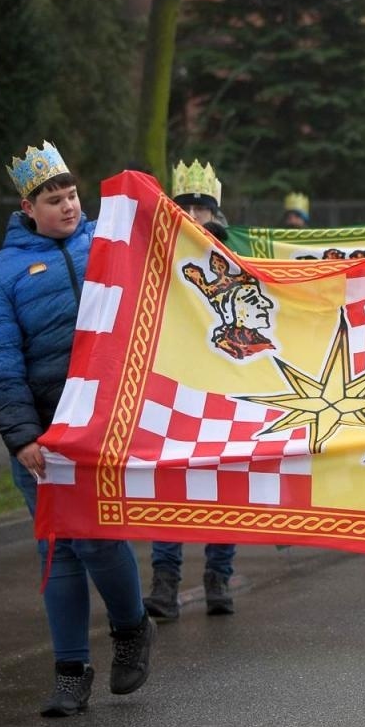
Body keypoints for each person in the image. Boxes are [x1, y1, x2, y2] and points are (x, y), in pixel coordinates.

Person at [0, 142, 154, 716]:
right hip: (43, 435)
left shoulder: (110, 242)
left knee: (97, 541)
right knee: (58, 550)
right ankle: (70, 669)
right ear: (28, 207)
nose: (70, 206)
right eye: (55, 200)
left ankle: (131, 629)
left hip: (105, 427)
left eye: (73, 195)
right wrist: (23, 437)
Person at [144, 160, 238, 619]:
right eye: (186, 207)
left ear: (216, 215)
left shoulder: (237, 257)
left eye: (203, 209)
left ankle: (219, 577)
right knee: (171, 483)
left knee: (224, 483)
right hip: (175, 385)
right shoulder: (158, 255)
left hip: (227, 383)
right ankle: (165, 582)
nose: (194, 217)